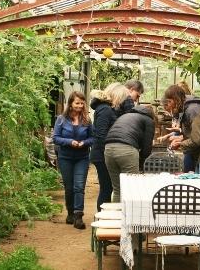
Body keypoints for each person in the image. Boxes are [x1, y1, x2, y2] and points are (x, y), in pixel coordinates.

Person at [52, 91, 95, 229]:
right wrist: (70, 141)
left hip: (82, 157)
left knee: (79, 186)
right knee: (69, 187)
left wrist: (85, 143)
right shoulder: (61, 119)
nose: (80, 106)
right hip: (65, 157)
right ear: (70, 103)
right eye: (77, 103)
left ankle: (78, 216)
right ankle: (70, 212)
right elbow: (56, 138)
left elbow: (93, 138)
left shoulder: (87, 120)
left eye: (82, 103)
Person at [103, 105, 156, 202]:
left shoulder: (126, 115)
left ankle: (117, 216)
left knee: (117, 189)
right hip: (127, 149)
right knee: (131, 188)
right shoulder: (148, 120)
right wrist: (141, 164)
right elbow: (147, 147)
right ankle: (130, 216)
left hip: (108, 148)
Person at [174, 81, 200, 173]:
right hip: (195, 145)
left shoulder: (194, 108)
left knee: (198, 177)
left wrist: (180, 142)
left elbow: (198, 135)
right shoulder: (187, 107)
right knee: (192, 174)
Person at [89, 89, 116, 212]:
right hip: (101, 154)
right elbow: (101, 134)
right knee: (106, 188)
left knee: (106, 187)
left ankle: (102, 217)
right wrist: (108, 153)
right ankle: (102, 218)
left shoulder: (101, 108)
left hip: (99, 153)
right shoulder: (105, 109)